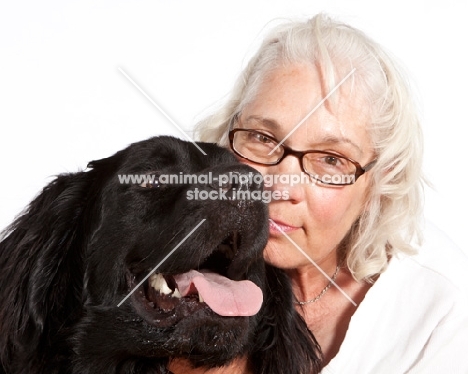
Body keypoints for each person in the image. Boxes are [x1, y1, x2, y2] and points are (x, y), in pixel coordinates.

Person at [169, 13, 468, 373]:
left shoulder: (445, 308)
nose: (281, 186)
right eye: (263, 138)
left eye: (331, 159)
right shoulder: (170, 256)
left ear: (380, 180)